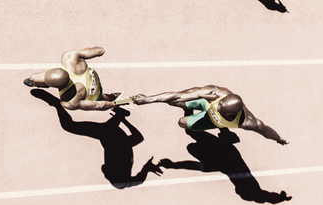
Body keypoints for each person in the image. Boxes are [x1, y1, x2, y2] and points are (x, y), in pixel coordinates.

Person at [132, 85, 289, 144]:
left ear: (231, 114)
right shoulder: (215, 94)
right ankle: (189, 107)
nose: (218, 105)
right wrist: (148, 99)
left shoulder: (248, 123)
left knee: (182, 123)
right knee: (175, 101)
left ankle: (223, 131)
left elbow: (266, 130)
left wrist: (278, 139)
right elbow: (179, 94)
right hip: (205, 103)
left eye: (221, 109)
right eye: (220, 103)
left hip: (213, 121)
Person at [23, 47, 124, 111]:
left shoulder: (69, 102)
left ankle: (43, 84)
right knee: (103, 97)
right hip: (93, 81)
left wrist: (115, 105)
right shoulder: (70, 56)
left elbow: (100, 106)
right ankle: (113, 96)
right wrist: (116, 103)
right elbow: (100, 50)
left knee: (33, 78)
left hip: (92, 93)